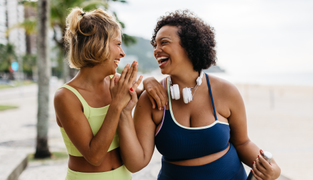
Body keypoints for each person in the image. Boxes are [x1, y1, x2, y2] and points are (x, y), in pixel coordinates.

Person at [118, 10, 281, 180]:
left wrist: (272, 169)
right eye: (155, 45)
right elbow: (136, 163)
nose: (156, 50)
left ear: (189, 45)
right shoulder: (150, 98)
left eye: (164, 42)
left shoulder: (227, 92)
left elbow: (242, 142)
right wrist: (124, 112)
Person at [54, 8, 166, 180]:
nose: (122, 53)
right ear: (98, 44)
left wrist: (150, 81)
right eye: (118, 44)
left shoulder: (116, 83)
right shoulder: (66, 97)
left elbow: (144, 94)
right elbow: (94, 156)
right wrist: (116, 105)